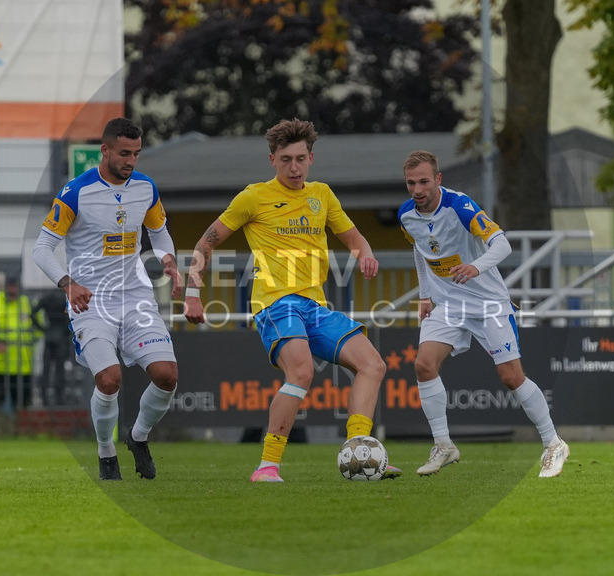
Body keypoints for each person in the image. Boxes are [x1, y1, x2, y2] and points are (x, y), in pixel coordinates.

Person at [183, 118, 399, 483]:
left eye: (301, 158)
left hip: (315, 306)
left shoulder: (322, 195)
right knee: (301, 371)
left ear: (311, 158)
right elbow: (206, 242)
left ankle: (359, 452)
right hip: (275, 303)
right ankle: (267, 466)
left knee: (373, 365)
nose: (294, 167)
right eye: (286, 159)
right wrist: (192, 293)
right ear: (273, 161)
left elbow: (353, 236)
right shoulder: (253, 196)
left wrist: (365, 253)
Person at [396, 150, 569, 478]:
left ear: (438, 180)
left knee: (511, 378)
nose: (417, 190)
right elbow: (419, 250)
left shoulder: (460, 207)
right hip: (447, 305)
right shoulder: (406, 215)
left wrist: (475, 267)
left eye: (424, 182)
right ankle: (444, 445)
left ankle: (553, 443)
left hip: (488, 304)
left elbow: (502, 244)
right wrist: (425, 294)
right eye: (410, 183)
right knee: (423, 365)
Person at [32, 117, 182, 481]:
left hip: (135, 298)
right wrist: (69, 284)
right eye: (124, 153)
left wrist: (169, 261)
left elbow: (160, 234)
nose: (131, 161)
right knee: (110, 380)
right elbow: (43, 249)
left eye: (136, 154)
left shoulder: (145, 188)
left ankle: (138, 436)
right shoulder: (76, 192)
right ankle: (106, 452)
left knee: (167, 376)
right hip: (91, 303)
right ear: (105, 150)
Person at [0, 276, 42, 410]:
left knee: (22, 404)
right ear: (5, 287)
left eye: (15, 286)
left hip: (23, 363)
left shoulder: (28, 303)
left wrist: (31, 341)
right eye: (10, 286)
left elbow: (40, 327)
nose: (12, 290)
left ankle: (22, 429)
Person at [31, 289, 72, 406]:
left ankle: (44, 398)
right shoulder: (65, 299)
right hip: (60, 337)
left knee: (46, 368)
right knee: (60, 369)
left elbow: (32, 314)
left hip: (49, 335)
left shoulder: (47, 298)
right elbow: (71, 317)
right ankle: (59, 398)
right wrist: (66, 330)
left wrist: (43, 328)